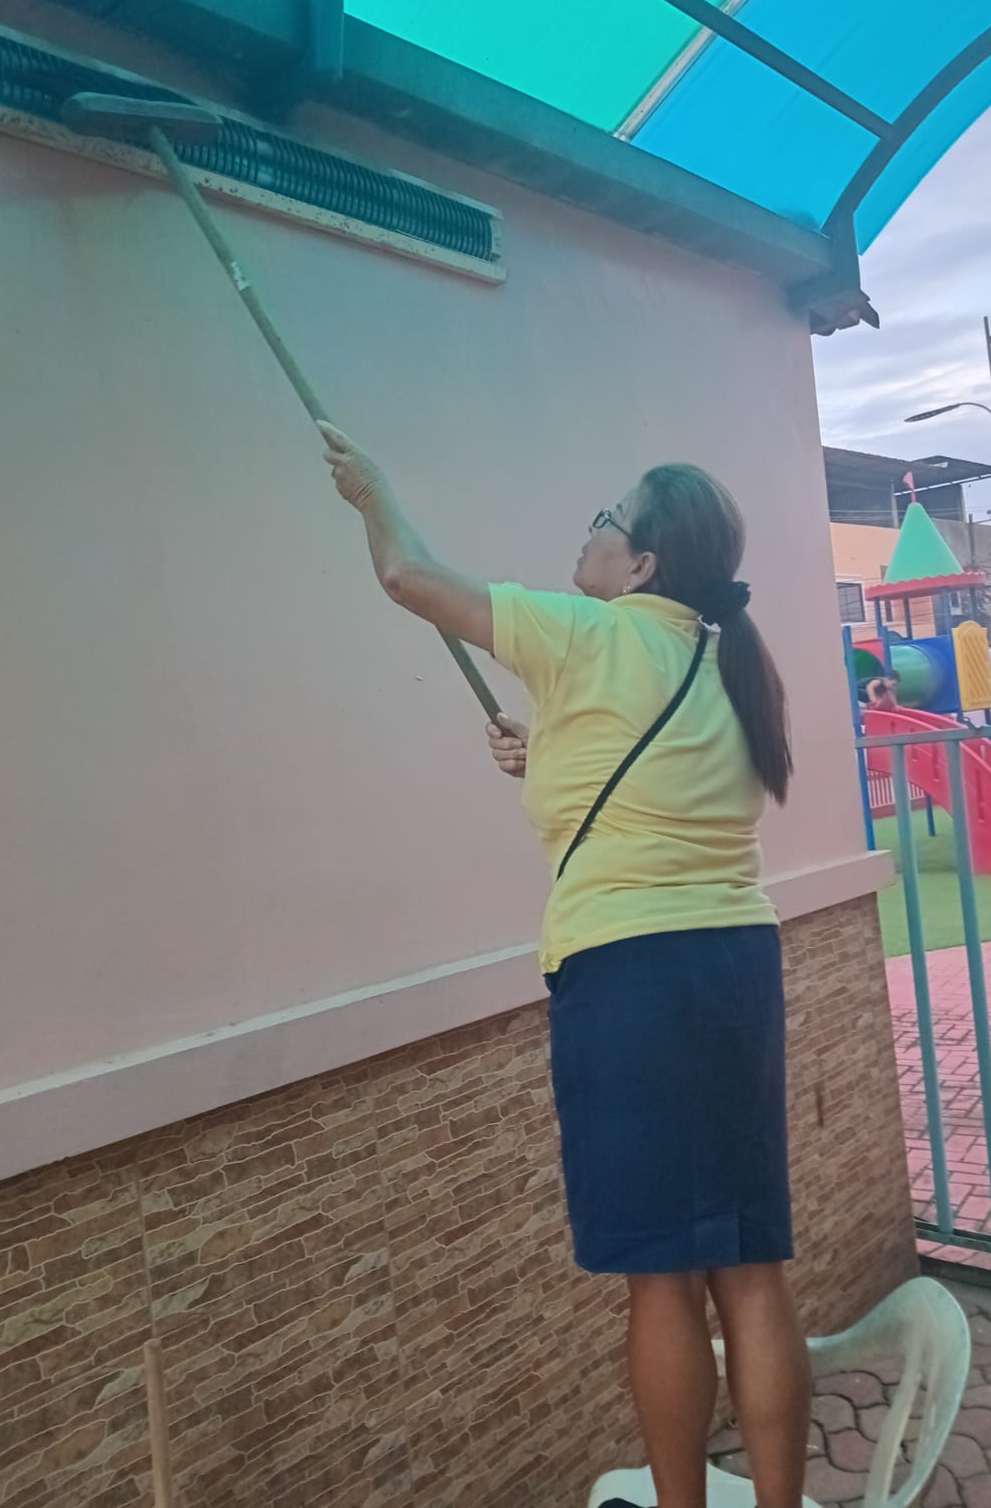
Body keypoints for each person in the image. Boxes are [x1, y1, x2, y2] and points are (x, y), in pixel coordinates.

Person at [320, 422, 810, 1508]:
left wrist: (371, 490)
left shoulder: (584, 632)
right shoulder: (728, 660)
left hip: (630, 979)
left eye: (606, 519)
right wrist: (545, 755)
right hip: (736, 968)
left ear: (640, 564)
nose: (588, 531)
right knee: (750, 1268)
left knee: (662, 1278)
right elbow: (652, 788)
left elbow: (408, 576)